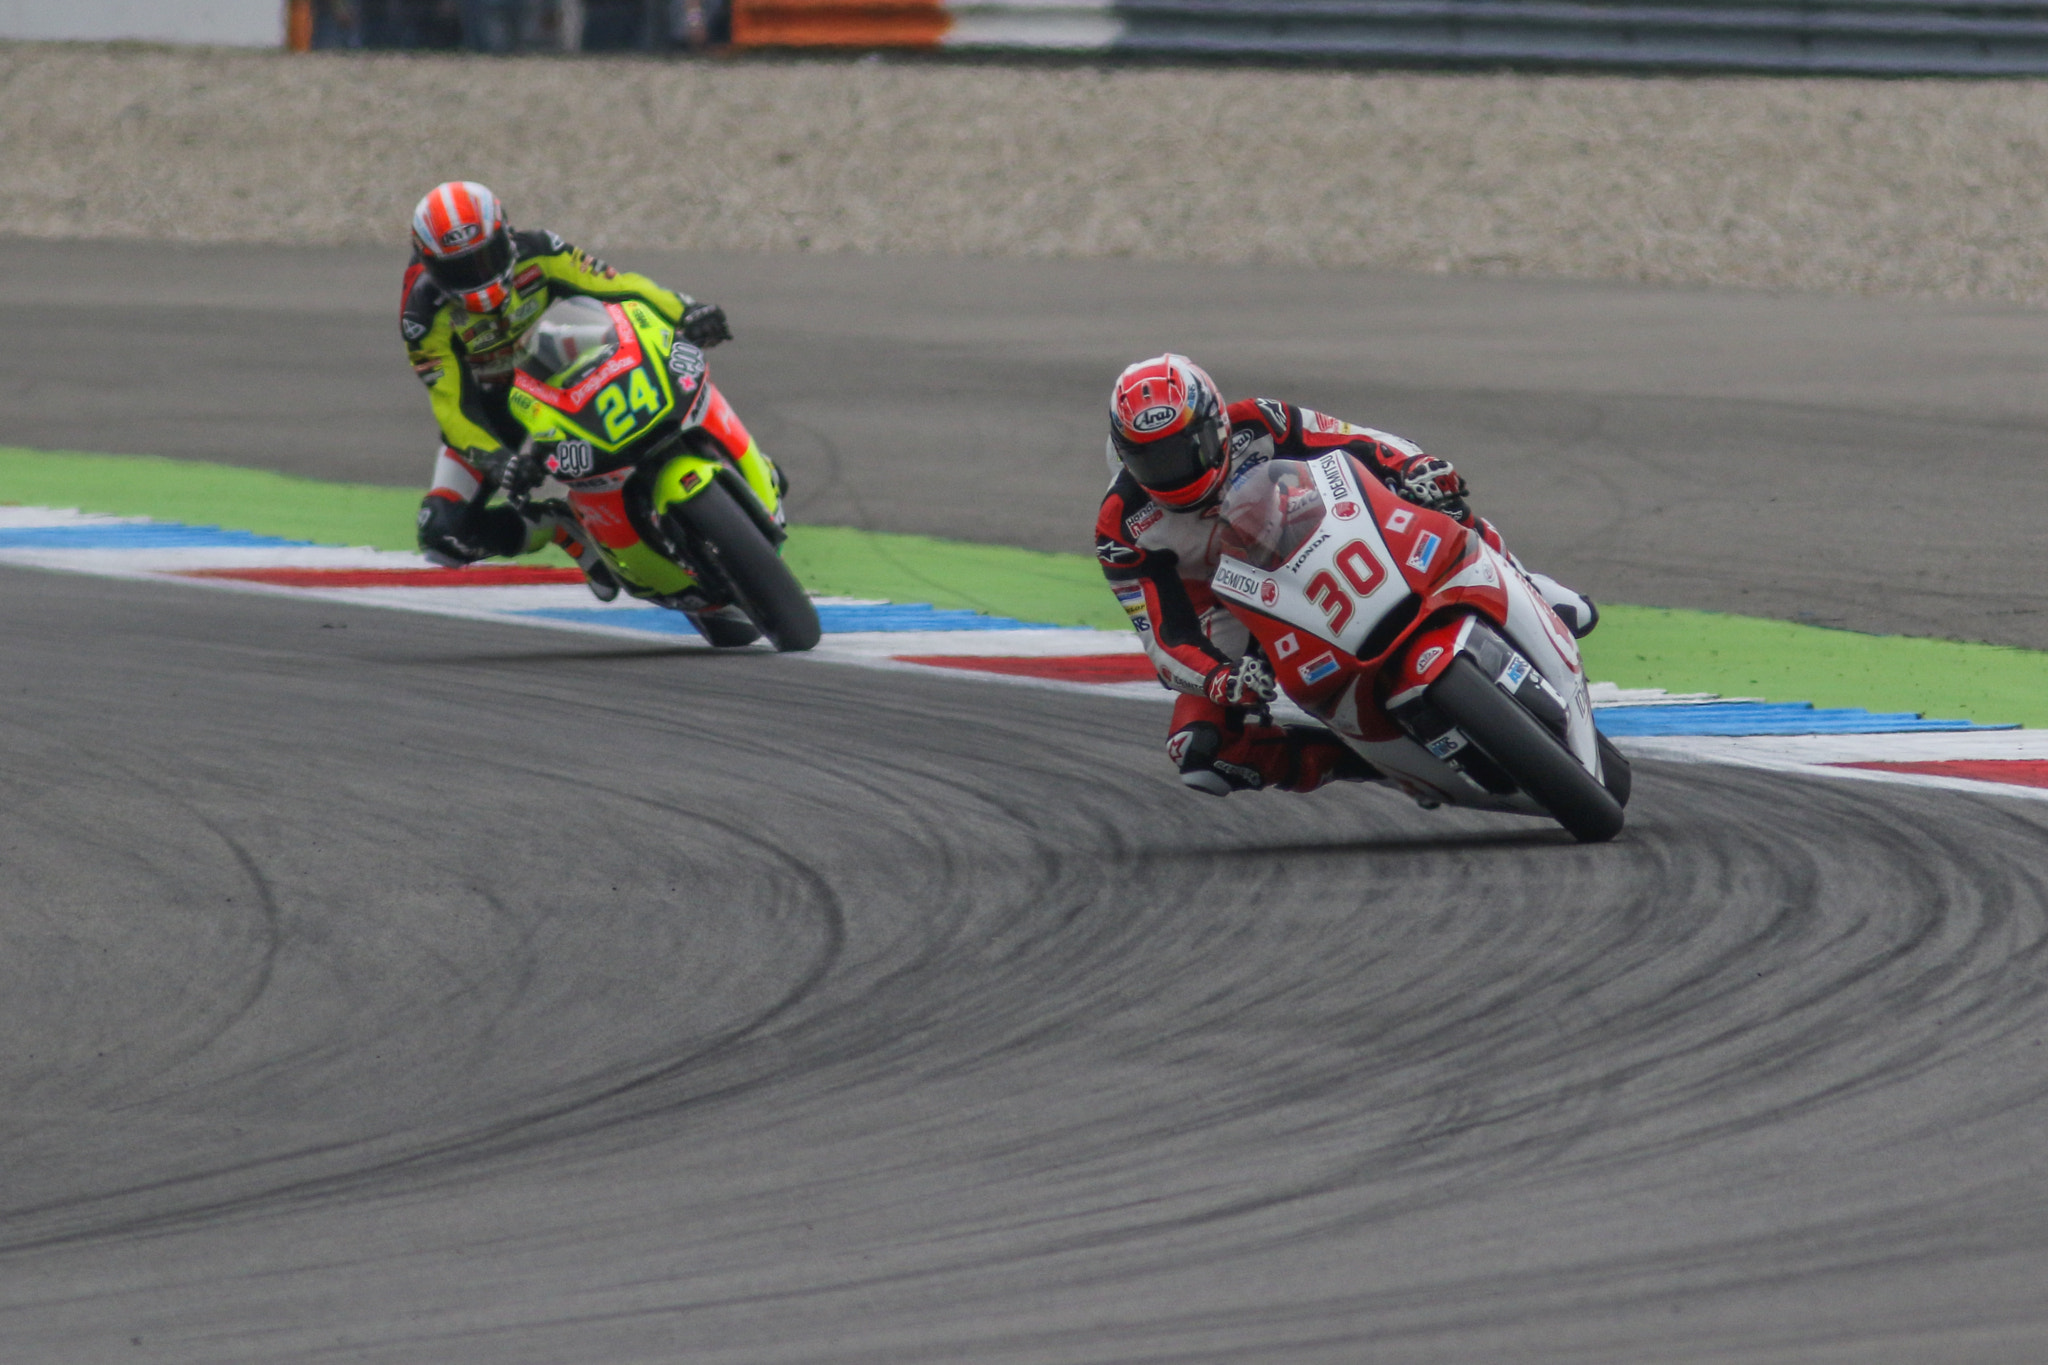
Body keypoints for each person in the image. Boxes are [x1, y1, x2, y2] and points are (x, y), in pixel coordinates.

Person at [1096, 353, 1598, 798]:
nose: (1174, 471)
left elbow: (1356, 440)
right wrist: (1221, 680)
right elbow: (1165, 638)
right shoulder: (1121, 528)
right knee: (1199, 753)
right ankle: (1373, 760)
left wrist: (1416, 466)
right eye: (1152, 460)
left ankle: (1523, 582)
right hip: (1232, 612)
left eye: (1186, 449)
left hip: (1314, 530)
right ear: (1124, 456)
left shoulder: (1259, 421)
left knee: (1432, 498)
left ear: (1216, 425)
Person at [401, 180, 747, 588]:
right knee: (443, 533)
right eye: (458, 268)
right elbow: (450, 405)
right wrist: (495, 458)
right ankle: (559, 527)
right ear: (429, 264)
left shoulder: (541, 251)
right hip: (497, 416)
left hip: (575, 371)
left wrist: (688, 310)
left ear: (506, 237)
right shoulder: (422, 316)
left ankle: (729, 454)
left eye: (485, 258)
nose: (476, 277)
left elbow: (621, 287)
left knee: (669, 366)